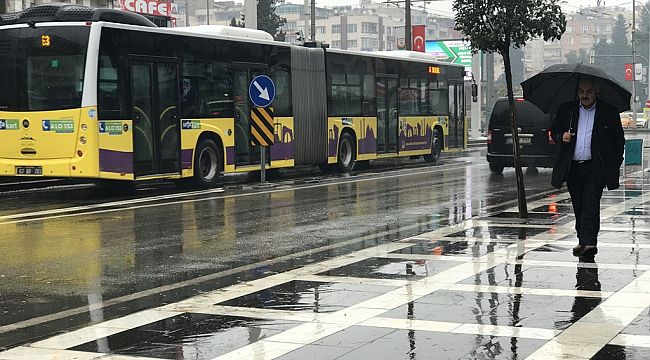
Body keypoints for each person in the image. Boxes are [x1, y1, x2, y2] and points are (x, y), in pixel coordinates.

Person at [551, 77, 625, 258]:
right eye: (582, 91)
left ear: (596, 92)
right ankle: (582, 240)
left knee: (591, 205)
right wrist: (562, 136)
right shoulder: (567, 110)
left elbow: (618, 141)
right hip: (573, 167)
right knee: (579, 206)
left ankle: (590, 243)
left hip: (595, 168)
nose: (585, 95)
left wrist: (613, 164)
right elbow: (554, 132)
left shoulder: (608, 112)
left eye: (589, 91)